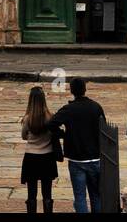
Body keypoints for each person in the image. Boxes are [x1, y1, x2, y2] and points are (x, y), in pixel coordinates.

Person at [48, 76, 104, 214]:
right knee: (96, 196)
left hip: (76, 159)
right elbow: (104, 129)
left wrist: (64, 134)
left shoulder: (69, 109)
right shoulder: (96, 107)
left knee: (80, 197)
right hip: (95, 158)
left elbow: (51, 123)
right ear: (85, 89)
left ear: (72, 91)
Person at [20, 85, 58, 214]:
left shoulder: (27, 118)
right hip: (47, 157)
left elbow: (24, 136)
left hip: (31, 157)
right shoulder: (50, 117)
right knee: (47, 192)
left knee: (32, 192)